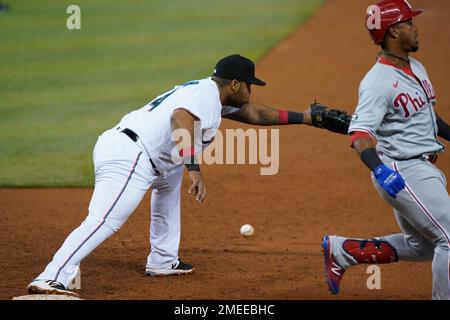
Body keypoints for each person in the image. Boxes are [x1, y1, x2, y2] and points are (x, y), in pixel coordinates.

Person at [27, 54, 350, 296]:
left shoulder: (214, 95)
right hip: (129, 154)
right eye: (250, 85)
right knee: (106, 219)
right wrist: (194, 168)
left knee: (167, 185)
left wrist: (306, 118)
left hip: (148, 154)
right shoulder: (203, 97)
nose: (251, 90)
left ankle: (163, 260)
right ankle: (51, 275)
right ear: (235, 83)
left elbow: (254, 113)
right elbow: (180, 120)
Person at [322, 0, 450, 300]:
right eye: (408, 23)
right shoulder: (377, 83)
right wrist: (379, 170)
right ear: (393, 32)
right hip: (402, 172)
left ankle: (344, 251)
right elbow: (360, 135)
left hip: (422, 169)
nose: (415, 28)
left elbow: (434, 121)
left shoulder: (415, 67)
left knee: (424, 246)